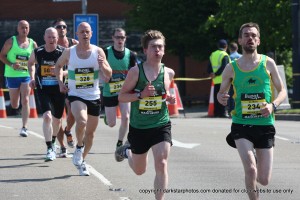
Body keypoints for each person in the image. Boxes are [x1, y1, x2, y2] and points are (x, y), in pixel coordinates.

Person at [217, 22, 287, 200]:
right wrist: (221, 97)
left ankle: (255, 161)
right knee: (250, 169)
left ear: (259, 40)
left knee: (263, 179)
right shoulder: (231, 67)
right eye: (246, 35)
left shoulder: (268, 63)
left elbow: (282, 91)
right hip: (241, 124)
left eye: (254, 35)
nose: (250, 38)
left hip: (264, 124)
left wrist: (273, 105)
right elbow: (221, 93)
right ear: (240, 40)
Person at [116, 30, 176, 200]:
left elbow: (163, 96)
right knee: (139, 170)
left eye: (160, 47)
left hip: (160, 125)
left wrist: (169, 98)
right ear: (145, 50)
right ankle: (127, 151)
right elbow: (122, 96)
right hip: (139, 128)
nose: (157, 50)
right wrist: (141, 95)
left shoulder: (169, 73)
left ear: (164, 50)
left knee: (162, 163)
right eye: (153, 47)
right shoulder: (136, 72)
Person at [55, 22, 112, 176]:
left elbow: (108, 75)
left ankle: (81, 159)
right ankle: (79, 146)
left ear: (91, 33)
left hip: (93, 95)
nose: (85, 34)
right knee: (81, 121)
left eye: (87, 31)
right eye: (82, 32)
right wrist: (60, 83)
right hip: (76, 94)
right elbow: (58, 66)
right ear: (77, 34)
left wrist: (103, 65)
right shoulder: (69, 52)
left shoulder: (98, 51)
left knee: (91, 134)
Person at [28, 27, 66, 161]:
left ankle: (54, 140)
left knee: (57, 120)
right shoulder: (38, 51)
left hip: (59, 89)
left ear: (57, 38)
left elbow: (71, 69)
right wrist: (32, 78)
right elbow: (30, 63)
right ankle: (49, 147)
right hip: (43, 88)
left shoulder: (63, 52)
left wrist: (58, 72)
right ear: (44, 38)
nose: (51, 39)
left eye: (54, 37)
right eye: (49, 37)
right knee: (47, 117)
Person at [102, 28, 137, 153]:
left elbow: (135, 73)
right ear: (113, 38)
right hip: (109, 91)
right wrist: (104, 78)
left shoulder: (131, 55)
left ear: (125, 38)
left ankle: (120, 142)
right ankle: (107, 118)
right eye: (117, 37)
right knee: (111, 123)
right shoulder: (106, 52)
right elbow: (99, 68)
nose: (120, 40)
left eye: (122, 37)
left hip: (124, 91)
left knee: (126, 117)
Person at [0, 20, 38, 137]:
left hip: (26, 75)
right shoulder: (10, 41)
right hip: (12, 75)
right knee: (15, 104)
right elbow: (1, 55)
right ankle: (16, 107)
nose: (24, 30)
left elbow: (36, 60)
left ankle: (24, 127)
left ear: (29, 29)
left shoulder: (33, 44)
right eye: (22, 27)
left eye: (26, 27)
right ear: (18, 29)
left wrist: (33, 73)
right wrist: (12, 64)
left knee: (25, 99)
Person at [53, 18, 78, 156]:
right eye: (58, 27)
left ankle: (68, 130)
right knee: (56, 117)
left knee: (72, 109)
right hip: (54, 83)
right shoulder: (51, 45)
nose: (61, 28)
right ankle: (62, 146)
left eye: (63, 26)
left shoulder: (74, 44)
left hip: (70, 82)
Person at [207, 39, 230, 118]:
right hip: (224, 80)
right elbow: (224, 67)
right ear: (226, 46)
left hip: (215, 80)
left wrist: (212, 74)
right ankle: (223, 113)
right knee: (224, 97)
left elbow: (209, 67)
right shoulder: (225, 55)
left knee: (216, 97)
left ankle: (216, 113)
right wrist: (216, 74)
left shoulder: (213, 54)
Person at [228, 42, 242, 115]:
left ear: (229, 49)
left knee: (231, 95)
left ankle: (231, 110)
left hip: (232, 78)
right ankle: (240, 109)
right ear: (237, 48)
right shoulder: (241, 56)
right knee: (240, 94)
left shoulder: (229, 57)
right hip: (241, 78)